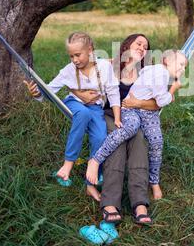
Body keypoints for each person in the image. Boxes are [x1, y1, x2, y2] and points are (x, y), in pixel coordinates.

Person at [24, 31, 121, 202]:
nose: (75, 60)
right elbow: (49, 91)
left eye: (78, 55)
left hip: (96, 108)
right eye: (71, 56)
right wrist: (36, 93)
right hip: (73, 104)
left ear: (90, 49)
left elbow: (113, 92)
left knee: (100, 136)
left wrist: (117, 117)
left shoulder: (104, 68)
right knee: (82, 114)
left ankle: (93, 176)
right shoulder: (68, 70)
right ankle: (67, 165)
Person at [73, 34, 157, 224]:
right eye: (139, 43)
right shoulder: (109, 65)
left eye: (146, 46)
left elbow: (156, 104)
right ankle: (110, 202)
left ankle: (139, 203)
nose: (142, 47)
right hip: (105, 113)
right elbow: (78, 72)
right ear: (127, 45)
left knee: (139, 140)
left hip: (132, 117)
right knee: (117, 143)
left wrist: (138, 102)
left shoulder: (146, 74)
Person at [85, 49, 187, 202]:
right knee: (131, 128)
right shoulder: (161, 73)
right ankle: (96, 159)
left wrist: (167, 94)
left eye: (185, 66)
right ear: (166, 61)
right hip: (130, 109)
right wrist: (173, 90)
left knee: (156, 141)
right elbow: (161, 101)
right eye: (180, 64)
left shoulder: (157, 72)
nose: (183, 69)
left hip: (148, 113)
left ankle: (154, 181)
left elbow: (158, 100)